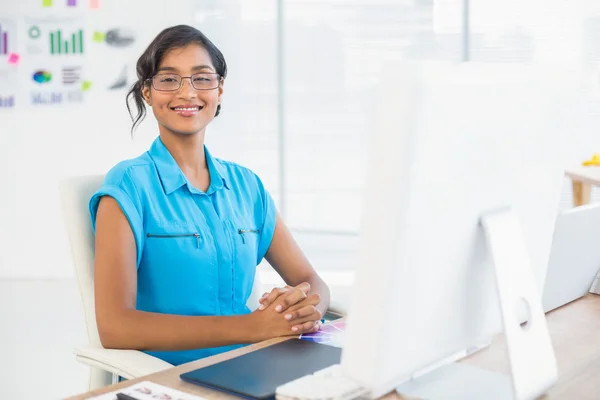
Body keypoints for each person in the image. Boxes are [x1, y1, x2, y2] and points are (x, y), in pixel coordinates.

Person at [90, 24, 330, 366]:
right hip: (173, 377)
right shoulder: (128, 186)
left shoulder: (247, 185)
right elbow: (115, 327)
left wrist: (302, 311)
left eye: (202, 78)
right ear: (147, 92)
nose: (187, 93)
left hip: (255, 363)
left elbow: (311, 280)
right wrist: (251, 327)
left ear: (219, 89)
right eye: (169, 79)